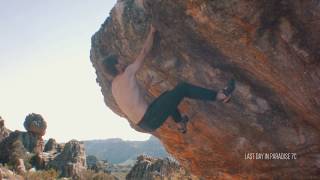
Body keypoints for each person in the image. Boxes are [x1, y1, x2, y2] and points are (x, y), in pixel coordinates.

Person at [105, 25, 235, 134]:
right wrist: (152, 31)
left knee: (169, 96)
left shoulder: (114, 86)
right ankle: (220, 96)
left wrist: (147, 85)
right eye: (119, 59)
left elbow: (136, 99)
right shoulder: (127, 73)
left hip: (143, 124)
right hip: (150, 117)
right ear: (117, 65)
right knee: (183, 88)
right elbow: (144, 52)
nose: (122, 59)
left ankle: (180, 124)